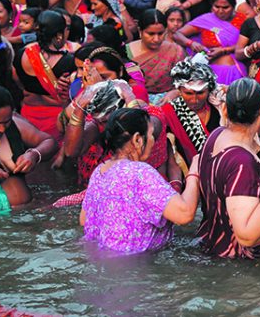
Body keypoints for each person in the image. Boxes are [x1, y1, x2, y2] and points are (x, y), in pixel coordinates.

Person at [197, 78, 260, 258]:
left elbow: (230, 185)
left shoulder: (216, 136)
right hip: (242, 260)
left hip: (212, 245)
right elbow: (247, 236)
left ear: (225, 110)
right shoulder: (241, 162)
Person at [80, 108, 200, 253]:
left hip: (101, 259)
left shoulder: (99, 171)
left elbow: (84, 219)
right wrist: (195, 171)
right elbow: (184, 214)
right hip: (136, 265)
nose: (153, 140)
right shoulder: (140, 172)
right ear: (137, 139)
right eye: (150, 134)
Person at [14, 11, 75, 140]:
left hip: (27, 113)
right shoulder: (69, 61)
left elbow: (16, 79)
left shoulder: (22, 53)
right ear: (59, 35)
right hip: (55, 119)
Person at [161, 58, 223, 175]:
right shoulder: (170, 112)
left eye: (200, 93)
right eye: (188, 93)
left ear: (209, 89)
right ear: (179, 90)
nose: (194, 100)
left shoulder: (220, 106)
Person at [174, 0, 248, 84]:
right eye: (216, 7)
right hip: (209, 73)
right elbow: (177, 34)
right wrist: (191, 43)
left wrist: (223, 50)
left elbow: (247, 45)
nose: (220, 11)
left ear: (233, 6)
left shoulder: (243, 20)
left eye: (225, 7)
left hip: (235, 71)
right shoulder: (205, 20)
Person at [127, 9, 186, 103]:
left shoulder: (175, 51)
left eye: (160, 33)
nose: (156, 39)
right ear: (140, 31)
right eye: (150, 34)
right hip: (133, 102)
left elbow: (184, 82)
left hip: (166, 100)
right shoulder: (126, 52)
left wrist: (175, 92)